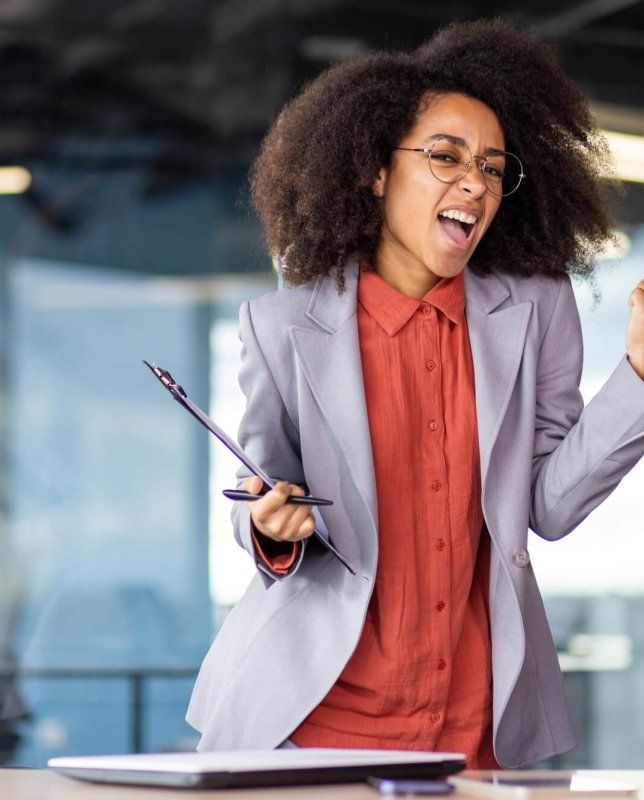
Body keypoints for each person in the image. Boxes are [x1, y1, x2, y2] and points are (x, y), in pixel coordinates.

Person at [186, 19, 644, 769]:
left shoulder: (535, 311)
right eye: (446, 157)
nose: (476, 183)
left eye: (495, 168)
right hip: (313, 716)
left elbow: (551, 508)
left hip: (472, 722)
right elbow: (257, 490)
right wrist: (271, 527)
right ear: (375, 171)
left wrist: (638, 379)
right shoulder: (281, 326)